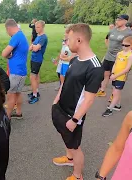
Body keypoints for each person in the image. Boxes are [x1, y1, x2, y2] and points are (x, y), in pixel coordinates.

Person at [52, 23, 104, 180]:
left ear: (79, 40)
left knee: (75, 147)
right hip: (61, 108)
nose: (66, 43)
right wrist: (56, 101)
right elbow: (65, 82)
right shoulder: (75, 60)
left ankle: (77, 175)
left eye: (69, 39)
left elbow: (89, 100)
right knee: (66, 138)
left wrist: (75, 120)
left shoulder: (95, 67)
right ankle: (69, 159)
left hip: (73, 116)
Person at [97, 14, 132, 97]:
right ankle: (102, 90)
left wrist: (127, 55)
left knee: (116, 77)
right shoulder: (113, 30)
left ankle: (114, 96)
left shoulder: (129, 33)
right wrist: (109, 48)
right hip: (108, 56)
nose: (117, 21)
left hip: (119, 58)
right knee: (105, 74)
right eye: (116, 19)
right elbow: (107, 39)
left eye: (119, 20)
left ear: (125, 21)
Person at [102, 36, 132, 117]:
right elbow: (115, 64)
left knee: (116, 93)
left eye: (126, 45)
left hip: (121, 77)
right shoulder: (119, 53)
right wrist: (113, 73)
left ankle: (110, 109)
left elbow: (127, 69)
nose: (124, 47)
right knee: (115, 92)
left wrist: (116, 75)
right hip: (115, 75)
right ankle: (117, 105)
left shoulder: (131, 55)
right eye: (123, 45)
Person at [2, 19, 29, 120]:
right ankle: (18, 113)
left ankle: (7, 117)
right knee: (17, 93)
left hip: (16, 71)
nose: (7, 33)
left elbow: (4, 53)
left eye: (6, 30)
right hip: (21, 70)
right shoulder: (22, 35)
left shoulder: (16, 37)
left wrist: (8, 55)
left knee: (11, 94)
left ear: (9, 28)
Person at [28, 20, 48, 104]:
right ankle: (35, 91)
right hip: (34, 58)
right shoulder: (38, 36)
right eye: (36, 27)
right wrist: (34, 46)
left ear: (43, 27)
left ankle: (35, 96)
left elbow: (35, 48)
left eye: (38, 27)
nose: (36, 29)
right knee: (36, 76)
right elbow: (30, 47)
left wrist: (34, 46)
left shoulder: (43, 37)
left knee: (32, 77)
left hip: (37, 59)